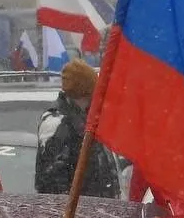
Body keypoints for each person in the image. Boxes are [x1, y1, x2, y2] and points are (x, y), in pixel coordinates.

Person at [35, 59, 120, 197]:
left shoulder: (87, 119)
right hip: (79, 213)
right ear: (84, 91)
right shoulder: (57, 122)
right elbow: (53, 181)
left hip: (96, 210)